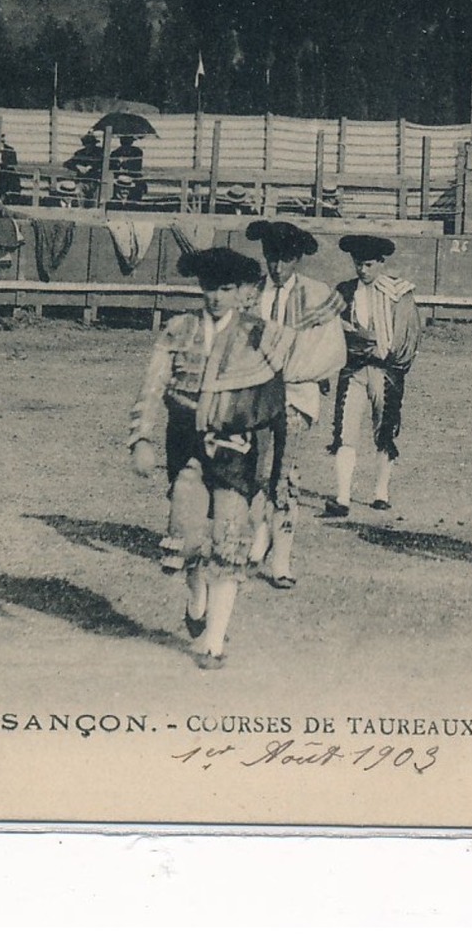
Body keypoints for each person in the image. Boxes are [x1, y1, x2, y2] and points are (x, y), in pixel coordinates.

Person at [127, 247, 294, 669]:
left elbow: (276, 406)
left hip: (237, 448)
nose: (216, 297)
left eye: (225, 288)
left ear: (241, 292)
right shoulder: (179, 329)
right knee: (188, 535)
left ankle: (215, 641)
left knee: (231, 539)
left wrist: (271, 472)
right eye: (209, 288)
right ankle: (196, 596)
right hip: (185, 443)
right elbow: (152, 387)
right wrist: (141, 439)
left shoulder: (262, 334)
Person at [245, 219, 347, 589]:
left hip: (295, 397)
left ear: (297, 259)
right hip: (253, 397)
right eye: (271, 257)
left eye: (285, 259)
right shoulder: (251, 293)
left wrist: (284, 370)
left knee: (284, 475)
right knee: (255, 473)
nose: (277, 266)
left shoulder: (317, 294)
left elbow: (330, 353)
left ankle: (282, 559)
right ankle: (259, 539)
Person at [326, 235, 421, 517]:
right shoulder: (344, 291)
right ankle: (342, 496)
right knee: (345, 430)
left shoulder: (399, 293)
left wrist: (373, 346)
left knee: (385, 431)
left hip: (385, 371)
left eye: (368, 264)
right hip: (353, 369)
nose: (362, 270)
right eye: (358, 264)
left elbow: (406, 338)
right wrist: (365, 341)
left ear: (380, 263)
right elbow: (333, 330)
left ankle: (381, 492)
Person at [63, 133, 105, 205]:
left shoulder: (99, 152)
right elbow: (67, 163)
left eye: (91, 143)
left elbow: (102, 162)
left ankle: (94, 211)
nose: (89, 145)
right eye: (87, 143)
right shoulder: (80, 153)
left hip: (95, 181)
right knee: (78, 190)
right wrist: (78, 166)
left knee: (96, 194)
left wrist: (91, 167)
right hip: (82, 181)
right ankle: (81, 209)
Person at [109, 134, 147, 205]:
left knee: (139, 186)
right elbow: (112, 167)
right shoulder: (115, 153)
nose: (126, 144)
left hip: (133, 176)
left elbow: (137, 166)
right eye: (124, 142)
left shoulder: (137, 152)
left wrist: (125, 163)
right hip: (119, 177)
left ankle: (134, 203)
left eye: (128, 142)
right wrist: (118, 163)